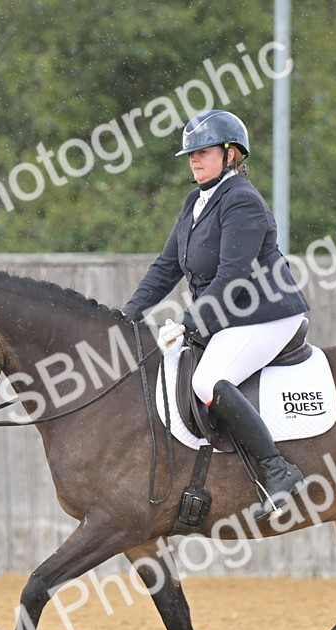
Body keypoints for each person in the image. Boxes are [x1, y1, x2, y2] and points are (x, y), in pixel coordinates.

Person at [122, 109, 310, 519]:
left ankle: (278, 472)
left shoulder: (241, 200)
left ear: (231, 155)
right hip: (228, 314)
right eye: (190, 154)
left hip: (265, 313)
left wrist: (188, 322)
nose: (194, 159)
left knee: (208, 380)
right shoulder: (196, 201)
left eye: (203, 152)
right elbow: (166, 267)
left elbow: (231, 277)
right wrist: (128, 314)